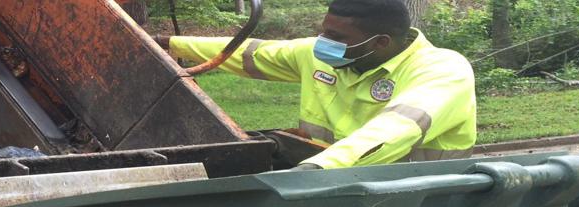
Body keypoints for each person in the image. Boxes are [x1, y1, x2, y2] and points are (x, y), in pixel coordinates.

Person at [160, 0, 476, 169]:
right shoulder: (324, 56)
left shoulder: (443, 70)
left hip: (420, 193)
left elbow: (395, 132)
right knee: (250, 148)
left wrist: (315, 170)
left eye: (336, 38)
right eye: (325, 31)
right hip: (334, 173)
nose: (323, 43)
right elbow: (250, 53)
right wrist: (165, 45)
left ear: (380, 42)